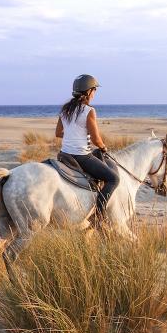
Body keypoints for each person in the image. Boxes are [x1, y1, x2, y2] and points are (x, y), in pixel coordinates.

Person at [55, 74, 119, 230]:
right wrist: (103, 147)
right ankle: (99, 217)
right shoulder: (89, 110)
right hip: (81, 156)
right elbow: (96, 139)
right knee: (113, 179)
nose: (95, 93)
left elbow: (58, 133)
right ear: (88, 91)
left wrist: (72, 135)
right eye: (94, 90)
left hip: (64, 155)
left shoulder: (65, 110)